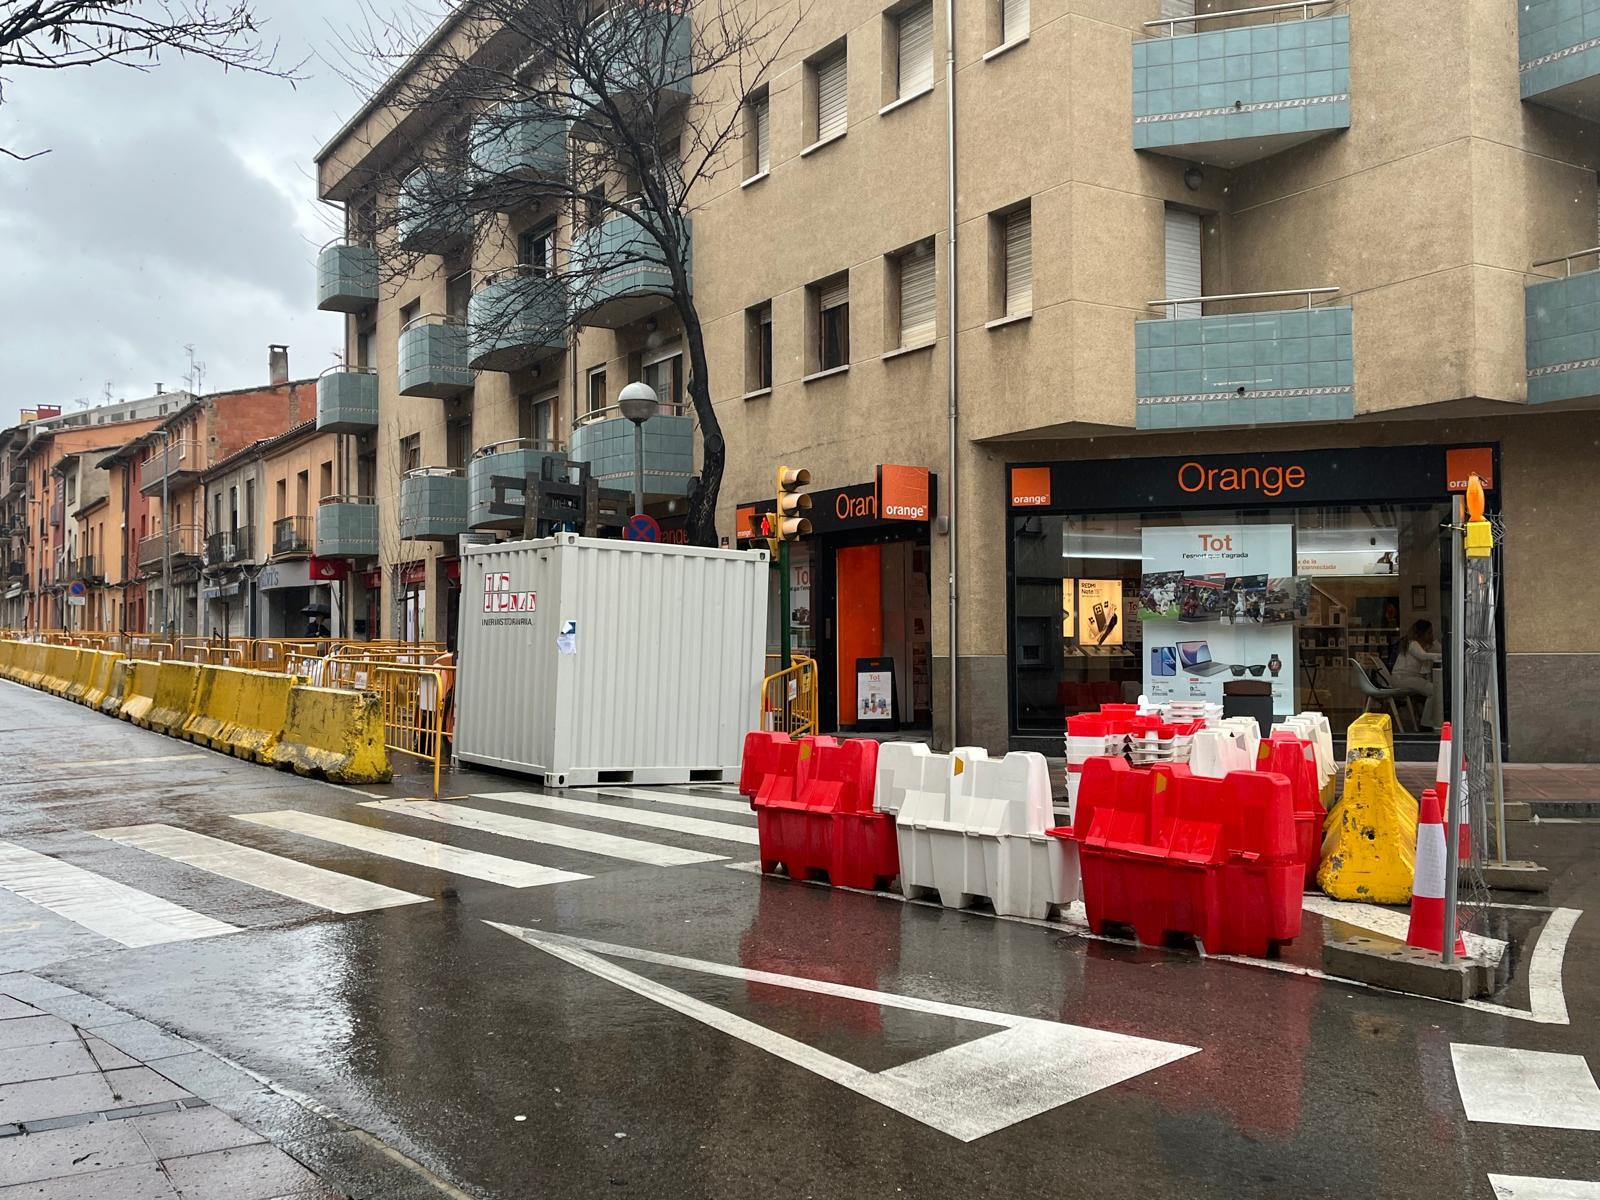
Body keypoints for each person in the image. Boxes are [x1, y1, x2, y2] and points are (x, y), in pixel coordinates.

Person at [1392, 618, 1442, 730]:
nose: (1432, 635)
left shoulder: (1423, 646)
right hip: (1403, 678)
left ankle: (1427, 721)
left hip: (1408, 678)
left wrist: (1434, 642)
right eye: (1429, 633)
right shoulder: (1413, 644)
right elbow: (1423, 656)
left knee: (1433, 690)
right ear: (1422, 634)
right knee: (1435, 690)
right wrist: (1441, 656)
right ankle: (1426, 723)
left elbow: (1438, 650)